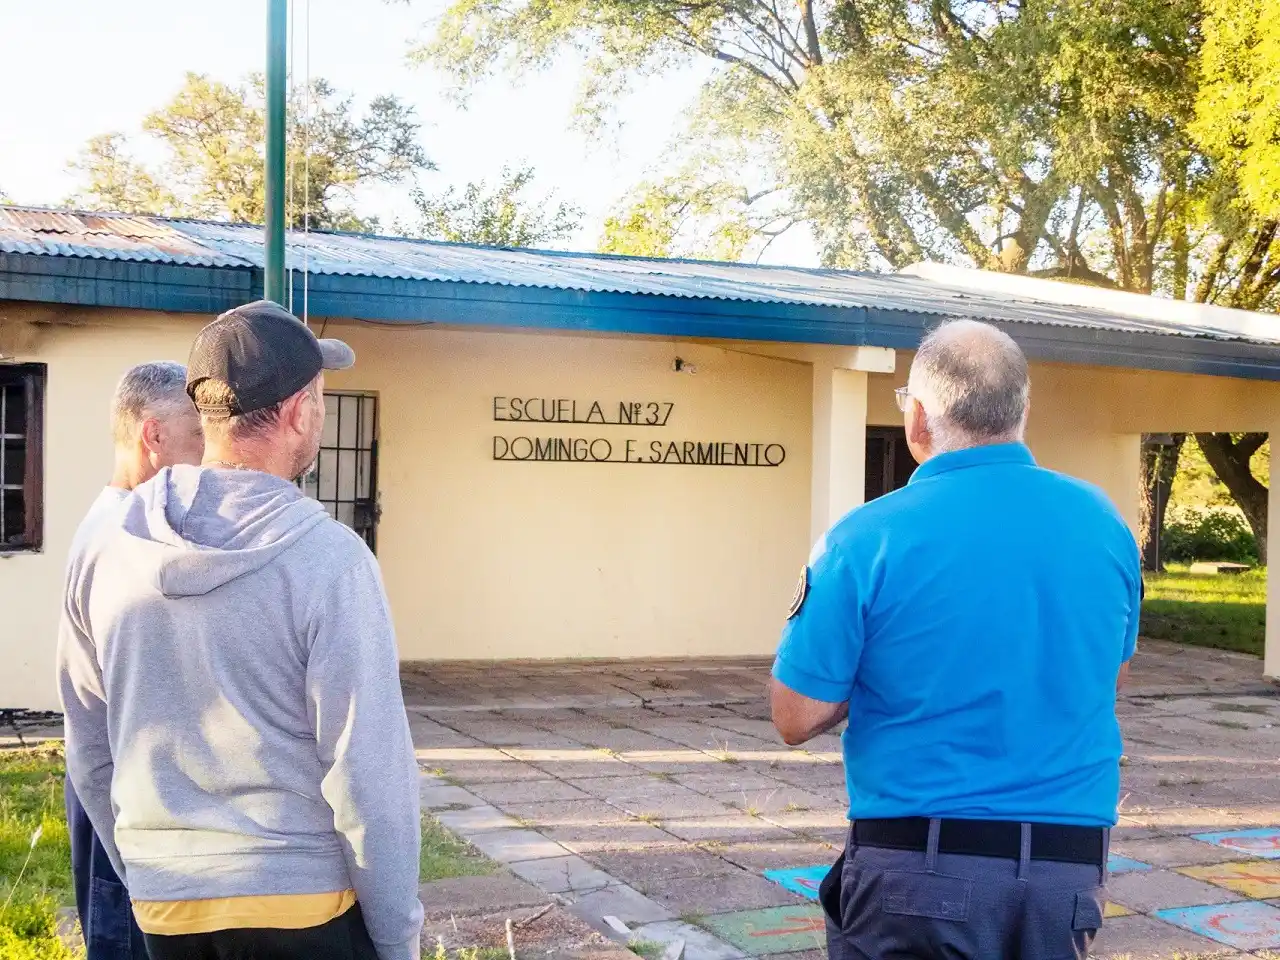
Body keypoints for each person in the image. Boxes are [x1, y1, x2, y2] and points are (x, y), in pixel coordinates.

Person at [58, 300, 424, 960]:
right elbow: (370, 778)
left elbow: (89, 747)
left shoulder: (104, 546)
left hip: (168, 903)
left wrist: (147, 869)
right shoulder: (333, 560)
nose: (321, 410)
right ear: (294, 412)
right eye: (319, 395)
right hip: (305, 902)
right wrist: (397, 939)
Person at [771, 319, 1140, 960]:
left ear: (917, 418)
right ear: (1023, 410)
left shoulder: (864, 537)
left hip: (918, 871)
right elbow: (1110, 675)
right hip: (1065, 872)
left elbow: (796, 715)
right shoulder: (1104, 524)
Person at [63, 360, 204, 960]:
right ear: (154, 437)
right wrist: (129, 859)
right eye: (198, 434)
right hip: (120, 813)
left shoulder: (131, 527)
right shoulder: (119, 539)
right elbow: (88, 729)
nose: (209, 451)